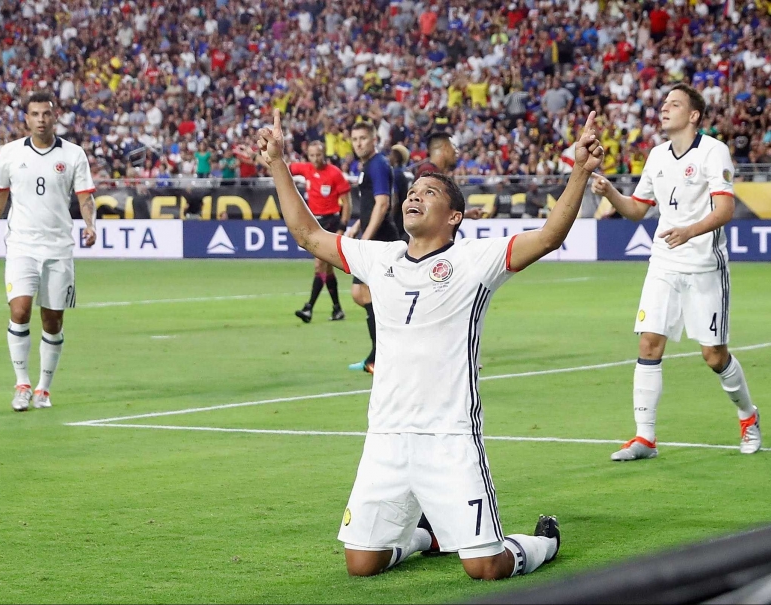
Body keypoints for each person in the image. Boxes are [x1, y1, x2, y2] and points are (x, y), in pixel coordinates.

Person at [257, 108, 603, 580]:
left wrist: (580, 170)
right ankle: (429, 536)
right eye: (413, 192)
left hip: (449, 437)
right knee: (362, 564)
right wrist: (278, 162)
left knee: (485, 566)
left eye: (430, 193)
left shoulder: (475, 259)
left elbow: (548, 236)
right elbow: (307, 234)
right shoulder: (381, 258)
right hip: (387, 437)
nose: (414, 197)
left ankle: (541, 542)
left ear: (454, 216)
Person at [591, 84, 762, 461]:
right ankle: (645, 439)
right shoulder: (655, 156)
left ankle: (748, 415)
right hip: (663, 264)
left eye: (674, 103)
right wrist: (609, 193)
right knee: (649, 343)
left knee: (714, 356)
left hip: (704, 266)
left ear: (694, 115)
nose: (664, 108)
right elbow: (637, 209)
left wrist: (688, 231)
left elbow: (724, 210)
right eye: (664, 102)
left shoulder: (713, 151)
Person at [0, 91, 97, 412]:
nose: (41, 119)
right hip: (21, 246)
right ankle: (22, 384)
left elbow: (85, 196)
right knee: (19, 311)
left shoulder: (73, 155)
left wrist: (90, 224)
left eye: (46, 113)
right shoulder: (11, 153)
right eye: (35, 114)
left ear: (54, 117)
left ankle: (44, 388)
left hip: (58, 248)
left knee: (53, 319)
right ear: (26, 119)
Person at [345, 121, 398, 374]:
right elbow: (370, 206)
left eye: (363, 138)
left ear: (374, 139)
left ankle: (379, 358)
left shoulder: (377, 165)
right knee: (368, 295)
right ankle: (378, 356)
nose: (358, 143)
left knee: (363, 293)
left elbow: (382, 203)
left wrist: (365, 239)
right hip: (373, 236)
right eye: (355, 139)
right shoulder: (367, 166)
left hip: (380, 240)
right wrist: (356, 226)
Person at [289, 141, 352, 322]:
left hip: (330, 223)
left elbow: (347, 202)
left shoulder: (335, 173)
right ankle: (337, 309)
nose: (315, 159)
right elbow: (282, 167)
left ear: (324, 154)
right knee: (327, 269)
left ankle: (309, 308)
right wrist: (257, 158)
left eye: (318, 155)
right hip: (314, 222)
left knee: (319, 265)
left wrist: (342, 225)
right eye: (312, 155)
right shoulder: (306, 169)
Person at [389, 143, 411, 243]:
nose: (389, 157)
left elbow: (395, 200)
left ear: (396, 158)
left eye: (391, 154)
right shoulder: (405, 173)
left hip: (398, 219)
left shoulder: (396, 173)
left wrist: (390, 220)